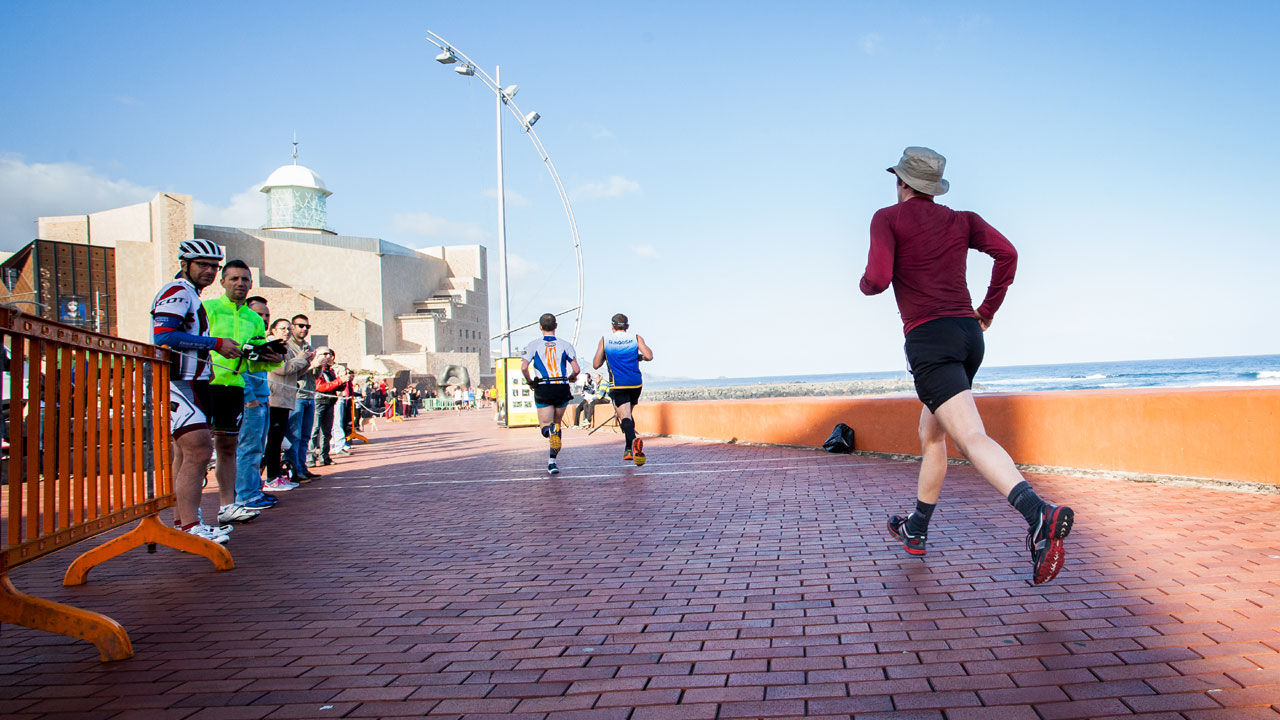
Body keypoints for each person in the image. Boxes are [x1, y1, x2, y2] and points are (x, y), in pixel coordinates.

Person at [860, 146, 1074, 585]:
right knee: (932, 432)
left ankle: (1039, 515)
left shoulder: (887, 218)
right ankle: (916, 527)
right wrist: (988, 309)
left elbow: (877, 281)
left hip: (930, 340)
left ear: (902, 183)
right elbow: (1008, 254)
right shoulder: (963, 220)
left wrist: (865, 283)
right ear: (933, 187)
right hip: (968, 335)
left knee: (971, 436)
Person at [150, 238, 242, 543]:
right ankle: (189, 527)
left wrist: (208, 363)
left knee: (187, 453)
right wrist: (215, 344)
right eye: (203, 265)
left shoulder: (191, 294)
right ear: (184, 264)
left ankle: (185, 522)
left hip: (195, 381)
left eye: (214, 266)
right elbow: (164, 336)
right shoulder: (176, 291)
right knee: (200, 450)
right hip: (177, 382)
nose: (210, 271)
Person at [203, 260, 281, 526]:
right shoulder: (208, 308)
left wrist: (273, 356)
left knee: (227, 448)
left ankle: (229, 505)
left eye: (245, 279)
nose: (240, 284)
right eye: (234, 279)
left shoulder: (253, 319)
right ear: (222, 282)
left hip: (235, 387)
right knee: (196, 449)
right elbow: (197, 342)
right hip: (205, 385)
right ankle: (189, 513)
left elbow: (256, 361)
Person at [238, 296, 288, 502]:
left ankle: (254, 490)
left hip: (262, 397)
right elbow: (238, 369)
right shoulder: (243, 336)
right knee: (248, 448)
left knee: (258, 447)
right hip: (250, 400)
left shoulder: (259, 339)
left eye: (267, 315)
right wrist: (249, 398)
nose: (264, 318)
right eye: (259, 314)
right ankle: (245, 494)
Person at [522, 313, 580, 475]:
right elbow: (576, 369)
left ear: (540, 327)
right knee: (557, 423)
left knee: (545, 425)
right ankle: (552, 462)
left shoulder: (533, 345)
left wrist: (530, 381)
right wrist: (571, 378)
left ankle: (549, 433)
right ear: (556, 326)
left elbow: (524, 367)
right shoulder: (565, 345)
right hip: (561, 385)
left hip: (544, 386)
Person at [593, 313, 653, 466]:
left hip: (618, 383)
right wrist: (640, 357)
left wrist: (607, 355)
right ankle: (628, 450)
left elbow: (595, 365)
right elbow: (649, 356)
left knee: (624, 417)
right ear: (627, 326)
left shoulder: (605, 340)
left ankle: (633, 441)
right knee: (628, 416)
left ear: (612, 327)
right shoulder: (636, 337)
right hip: (635, 382)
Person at [265, 317, 311, 486]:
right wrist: (301, 358)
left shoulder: (285, 348)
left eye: (287, 329)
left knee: (278, 441)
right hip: (274, 397)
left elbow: (294, 373)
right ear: (273, 330)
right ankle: (271, 477)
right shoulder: (271, 346)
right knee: (273, 440)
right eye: (282, 328)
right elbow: (282, 369)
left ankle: (276, 476)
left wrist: (307, 360)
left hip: (285, 398)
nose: (286, 332)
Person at [285, 314, 319, 480]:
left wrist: (319, 365)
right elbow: (290, 373)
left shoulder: (309, 347)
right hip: (296, 395)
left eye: (307, 326)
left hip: (309, 394)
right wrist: (310, 364)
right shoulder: (288, 347)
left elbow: (315, 375)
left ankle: (302, 466)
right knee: (295, 435)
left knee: (306, 435)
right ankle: (293, 469)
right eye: (300, 325)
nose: (304, 329)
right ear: (292, 327)